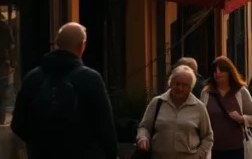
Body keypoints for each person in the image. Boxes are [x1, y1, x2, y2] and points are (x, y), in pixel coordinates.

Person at [11, 23, 118, 159]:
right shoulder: (90, 79)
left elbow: (18, 124)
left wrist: (39, 143)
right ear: (81, 46)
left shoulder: (33, 78)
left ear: (56, 44)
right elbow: (105, 128)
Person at [136, 65, 214, 159]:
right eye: (177, 84)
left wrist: (199, 155)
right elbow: (144, 127)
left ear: (190, 88)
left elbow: (208, 137)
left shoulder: (199, 107)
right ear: (171, 83)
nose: (180, 88)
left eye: (184, 85)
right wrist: (142, 138)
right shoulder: (157, 103)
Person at [201, 56, 252, 159]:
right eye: (215, 71)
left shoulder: (241, 91)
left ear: (229, 72)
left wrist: (241, 119)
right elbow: (201, 118)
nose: (217, 73)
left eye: (221, 70)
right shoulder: (206, 93)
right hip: (213, 149)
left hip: (236, 148)